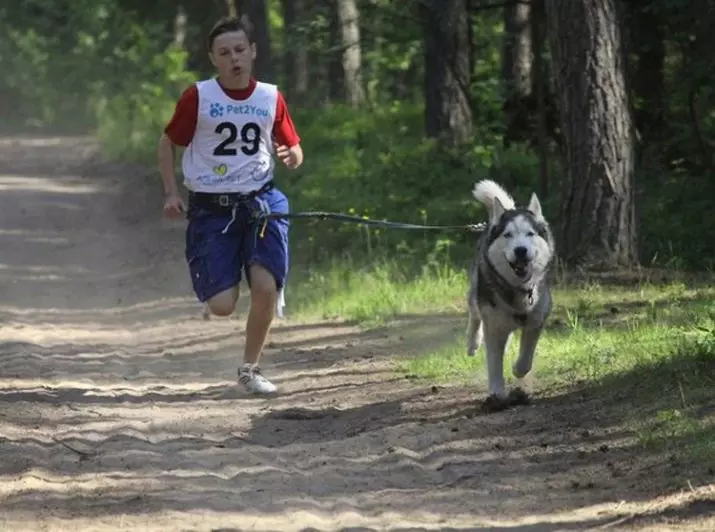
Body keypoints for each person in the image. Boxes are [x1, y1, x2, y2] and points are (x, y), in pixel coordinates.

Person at [157, 15, 303, 395]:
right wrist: (172, 192)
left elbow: (294, 147)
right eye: (225, 53)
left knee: (265, 287)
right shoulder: (199, 97)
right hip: (212, 209)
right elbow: (167, 142)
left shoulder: (270, 96)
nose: (234, 58)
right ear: (213, 58)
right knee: (222, 305)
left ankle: (250, 369)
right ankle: (219, 286)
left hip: (261, 202)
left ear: (253, 52)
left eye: (240, 50)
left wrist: (292, 156)